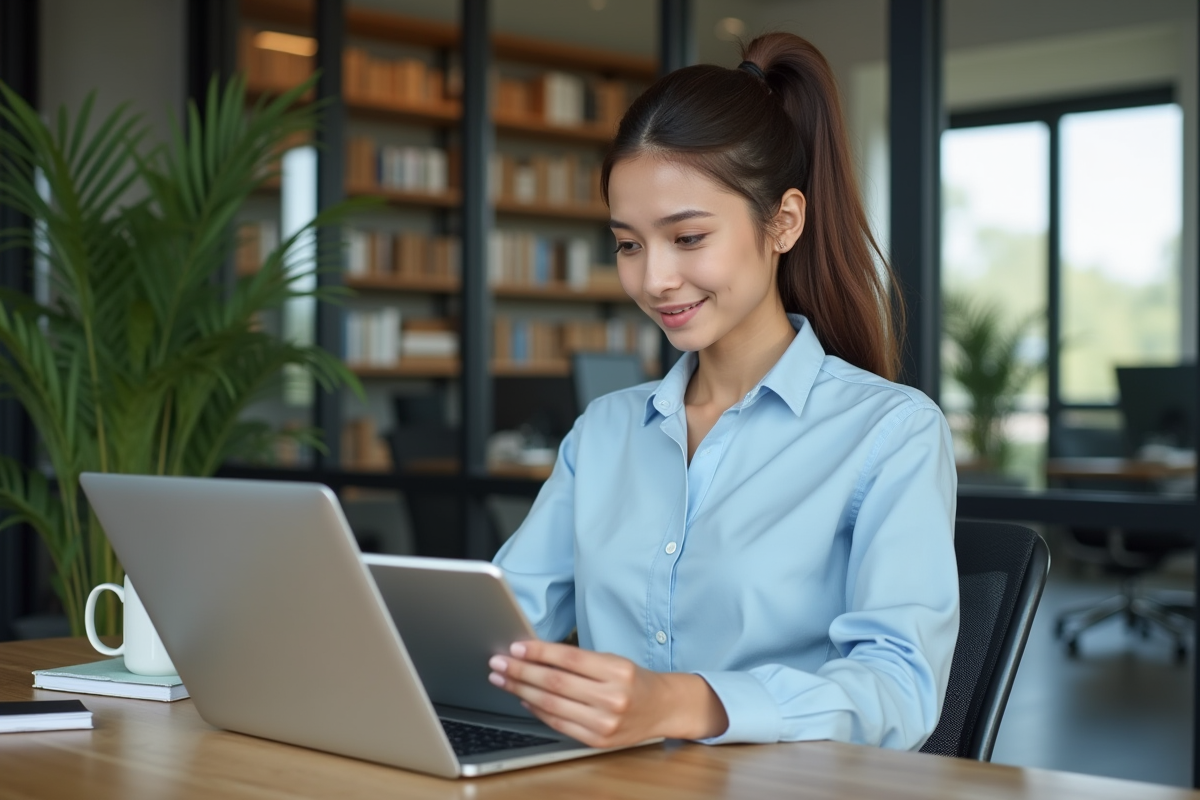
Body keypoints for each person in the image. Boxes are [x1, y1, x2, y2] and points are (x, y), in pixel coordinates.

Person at [486, 32, 959, 751]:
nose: (654, 280)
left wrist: (683, 704)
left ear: (783, 222)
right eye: (629, 244)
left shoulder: (890, 432)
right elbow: (503, 630)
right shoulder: (605, 432)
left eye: (687, 238)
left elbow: (900, 688)